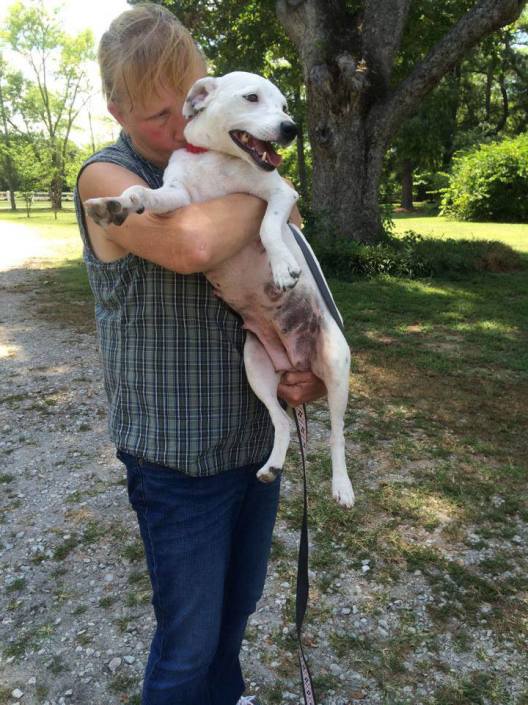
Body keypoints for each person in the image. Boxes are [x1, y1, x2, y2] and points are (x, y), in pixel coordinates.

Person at [74, 4, 325, 705]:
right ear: (116, 107)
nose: (181, 123)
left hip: (253, 434)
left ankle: (229, 694)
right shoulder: (106, 179)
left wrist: (296, 364)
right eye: (159, 115)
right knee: (185, 641)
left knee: (236, 612)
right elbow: (191, 246)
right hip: (176, 456)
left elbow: (294, 243)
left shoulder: (229, 156)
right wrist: (270, 185)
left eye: (191, 100)